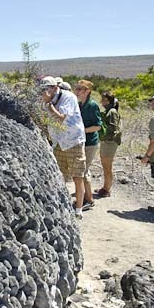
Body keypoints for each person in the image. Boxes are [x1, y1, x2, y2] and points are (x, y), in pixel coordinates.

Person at [40, 76, 87, 220]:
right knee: (59, 176)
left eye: (47, 88)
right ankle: (62, 204)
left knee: (77, 176)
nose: (44, 92)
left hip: (73, 141)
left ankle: (78, 209)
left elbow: (61, 117)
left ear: (55, 88)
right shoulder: (48, 99)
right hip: (58, 142)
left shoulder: (68, 97)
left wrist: (48, 104)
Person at [74, 80, 102, 211]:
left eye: (80, 89)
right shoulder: (80, 105)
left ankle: (89, 200)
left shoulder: (92, 105)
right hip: (82, 142)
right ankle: (86, 198)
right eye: (77, 88)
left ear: (87, 91)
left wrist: (82, 130)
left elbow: (97, 126)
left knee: (83, 171)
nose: (77, 91)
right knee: (84, 170)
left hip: (90, 143)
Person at [97, 91, 121, 197]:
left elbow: (113, 127)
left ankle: (107, 189)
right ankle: (105, 187)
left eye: (103, 99)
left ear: (107, 100)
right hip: (106, 141)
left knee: (107, 166)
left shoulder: (112, 112)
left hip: (110, 142)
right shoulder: (108, 111)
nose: (101, 101)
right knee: (105, 165)